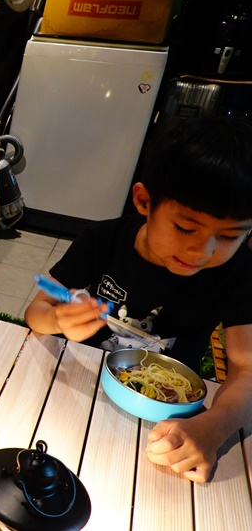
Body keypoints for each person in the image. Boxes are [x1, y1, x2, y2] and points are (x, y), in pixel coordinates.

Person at [24, 115, 252, 483]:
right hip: (73, 387)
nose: (201, 250)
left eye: (228, 237)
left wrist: (211, 428)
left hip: (161, 417)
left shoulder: (239, 271)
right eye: (185, 228)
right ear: (144, 201)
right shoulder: (102, 240)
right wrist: (57, 321)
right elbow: (36, 310)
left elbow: (249, 371)